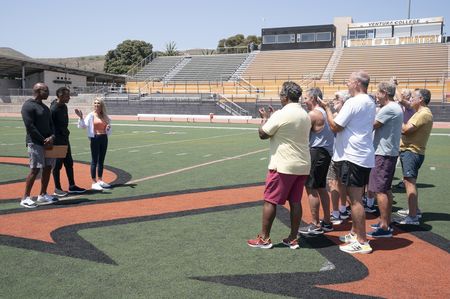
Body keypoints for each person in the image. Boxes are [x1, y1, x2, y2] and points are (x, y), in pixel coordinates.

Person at [247, 81, 311, 249]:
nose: (280, 98)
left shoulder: (281, 114)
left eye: (281, 95)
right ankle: (293, 237)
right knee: (295, 201)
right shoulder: (305, 114)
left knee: (270, 200)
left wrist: (265, 119)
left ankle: (265, 238)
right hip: (303, 164)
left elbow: (263, 134)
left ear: (285, 96)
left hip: (283, 164)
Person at [318, 70, 376, 254]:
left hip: (353, 156)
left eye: (349, 81)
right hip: (362, 154)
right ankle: (354, 233)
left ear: (358, 83)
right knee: (355, 198)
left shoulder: (354, 101)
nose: (347, 84)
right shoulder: (369, 101)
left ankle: (362, 241)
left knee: (355, 200)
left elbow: (335, 126)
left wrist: (327, 108)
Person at [366, 82, 403, 238]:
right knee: (385, 188)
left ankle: (385, 226)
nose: (376, 95)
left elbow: (372, 125)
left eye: (378, 92)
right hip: (388, 152)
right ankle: (385, 220)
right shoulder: (394, 107)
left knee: (380, 190)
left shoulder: (388, 108)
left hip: (383, 153)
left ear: (385, 93)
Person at [299, 88, 334, 235]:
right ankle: (326, 221)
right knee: (321, 188)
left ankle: (315, 224)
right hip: (325, 152)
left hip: (317, 152)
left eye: (306, 98)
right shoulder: (325, 112)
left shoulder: (313, 114)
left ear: (313, 98)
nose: (304, 101)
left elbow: (301, 134)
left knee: (311, 188)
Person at [395, 89, 433, 225]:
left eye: (413, 97)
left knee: (409, 183)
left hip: (412, 151)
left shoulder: (423, 114)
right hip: (412, 151)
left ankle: (413, 217)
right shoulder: (421, 112)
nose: (411, 100)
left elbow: (406, 130)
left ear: (421, 99)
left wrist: (397, 119)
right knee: (409, 182)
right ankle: (414, 210)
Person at [20, 83, 58, 208]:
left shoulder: (45, 108)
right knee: (35, 169)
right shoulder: (28, 106)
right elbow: (30, 127)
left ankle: (42, 194)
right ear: (38, 91)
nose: (48, 93)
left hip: (48, 142)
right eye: (46, 90)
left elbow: (52, 125)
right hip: (35, 142)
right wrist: (43, 140)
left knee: (48, 168)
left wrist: (52, 137)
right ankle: (25, 198)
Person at [50, 87, 87, 196]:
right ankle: (57, 188)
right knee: (57, 166)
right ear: (61, 96)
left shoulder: (64, 106)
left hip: (65, 139)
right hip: (56, 141)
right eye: (67, 96)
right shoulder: (53, 109)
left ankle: (72, 186)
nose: (69, 97)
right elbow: (50, 126)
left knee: (69, 163)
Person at [75, 98, 112, 191]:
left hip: (104, 138)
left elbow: (108, 129)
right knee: (94, 160)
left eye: (98, 103)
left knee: (101, 160)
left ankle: (100, 180)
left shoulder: (104, 116)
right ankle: (94, 182)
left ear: (101, 105)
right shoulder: (91, 115)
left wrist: (108, 127)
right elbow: (83, 126)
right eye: (95, 103)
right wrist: (80, 117)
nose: (96, 105)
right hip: (95, 138)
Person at [328, 91, 351, 225]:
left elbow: (334, 127)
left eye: (337, 99)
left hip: (341, 155)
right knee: (341, 184)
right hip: (342, 153)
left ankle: (336, 212)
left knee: (333, 182)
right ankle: (342, 209)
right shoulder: (344, 115)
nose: (334, 101)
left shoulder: (342, 116)